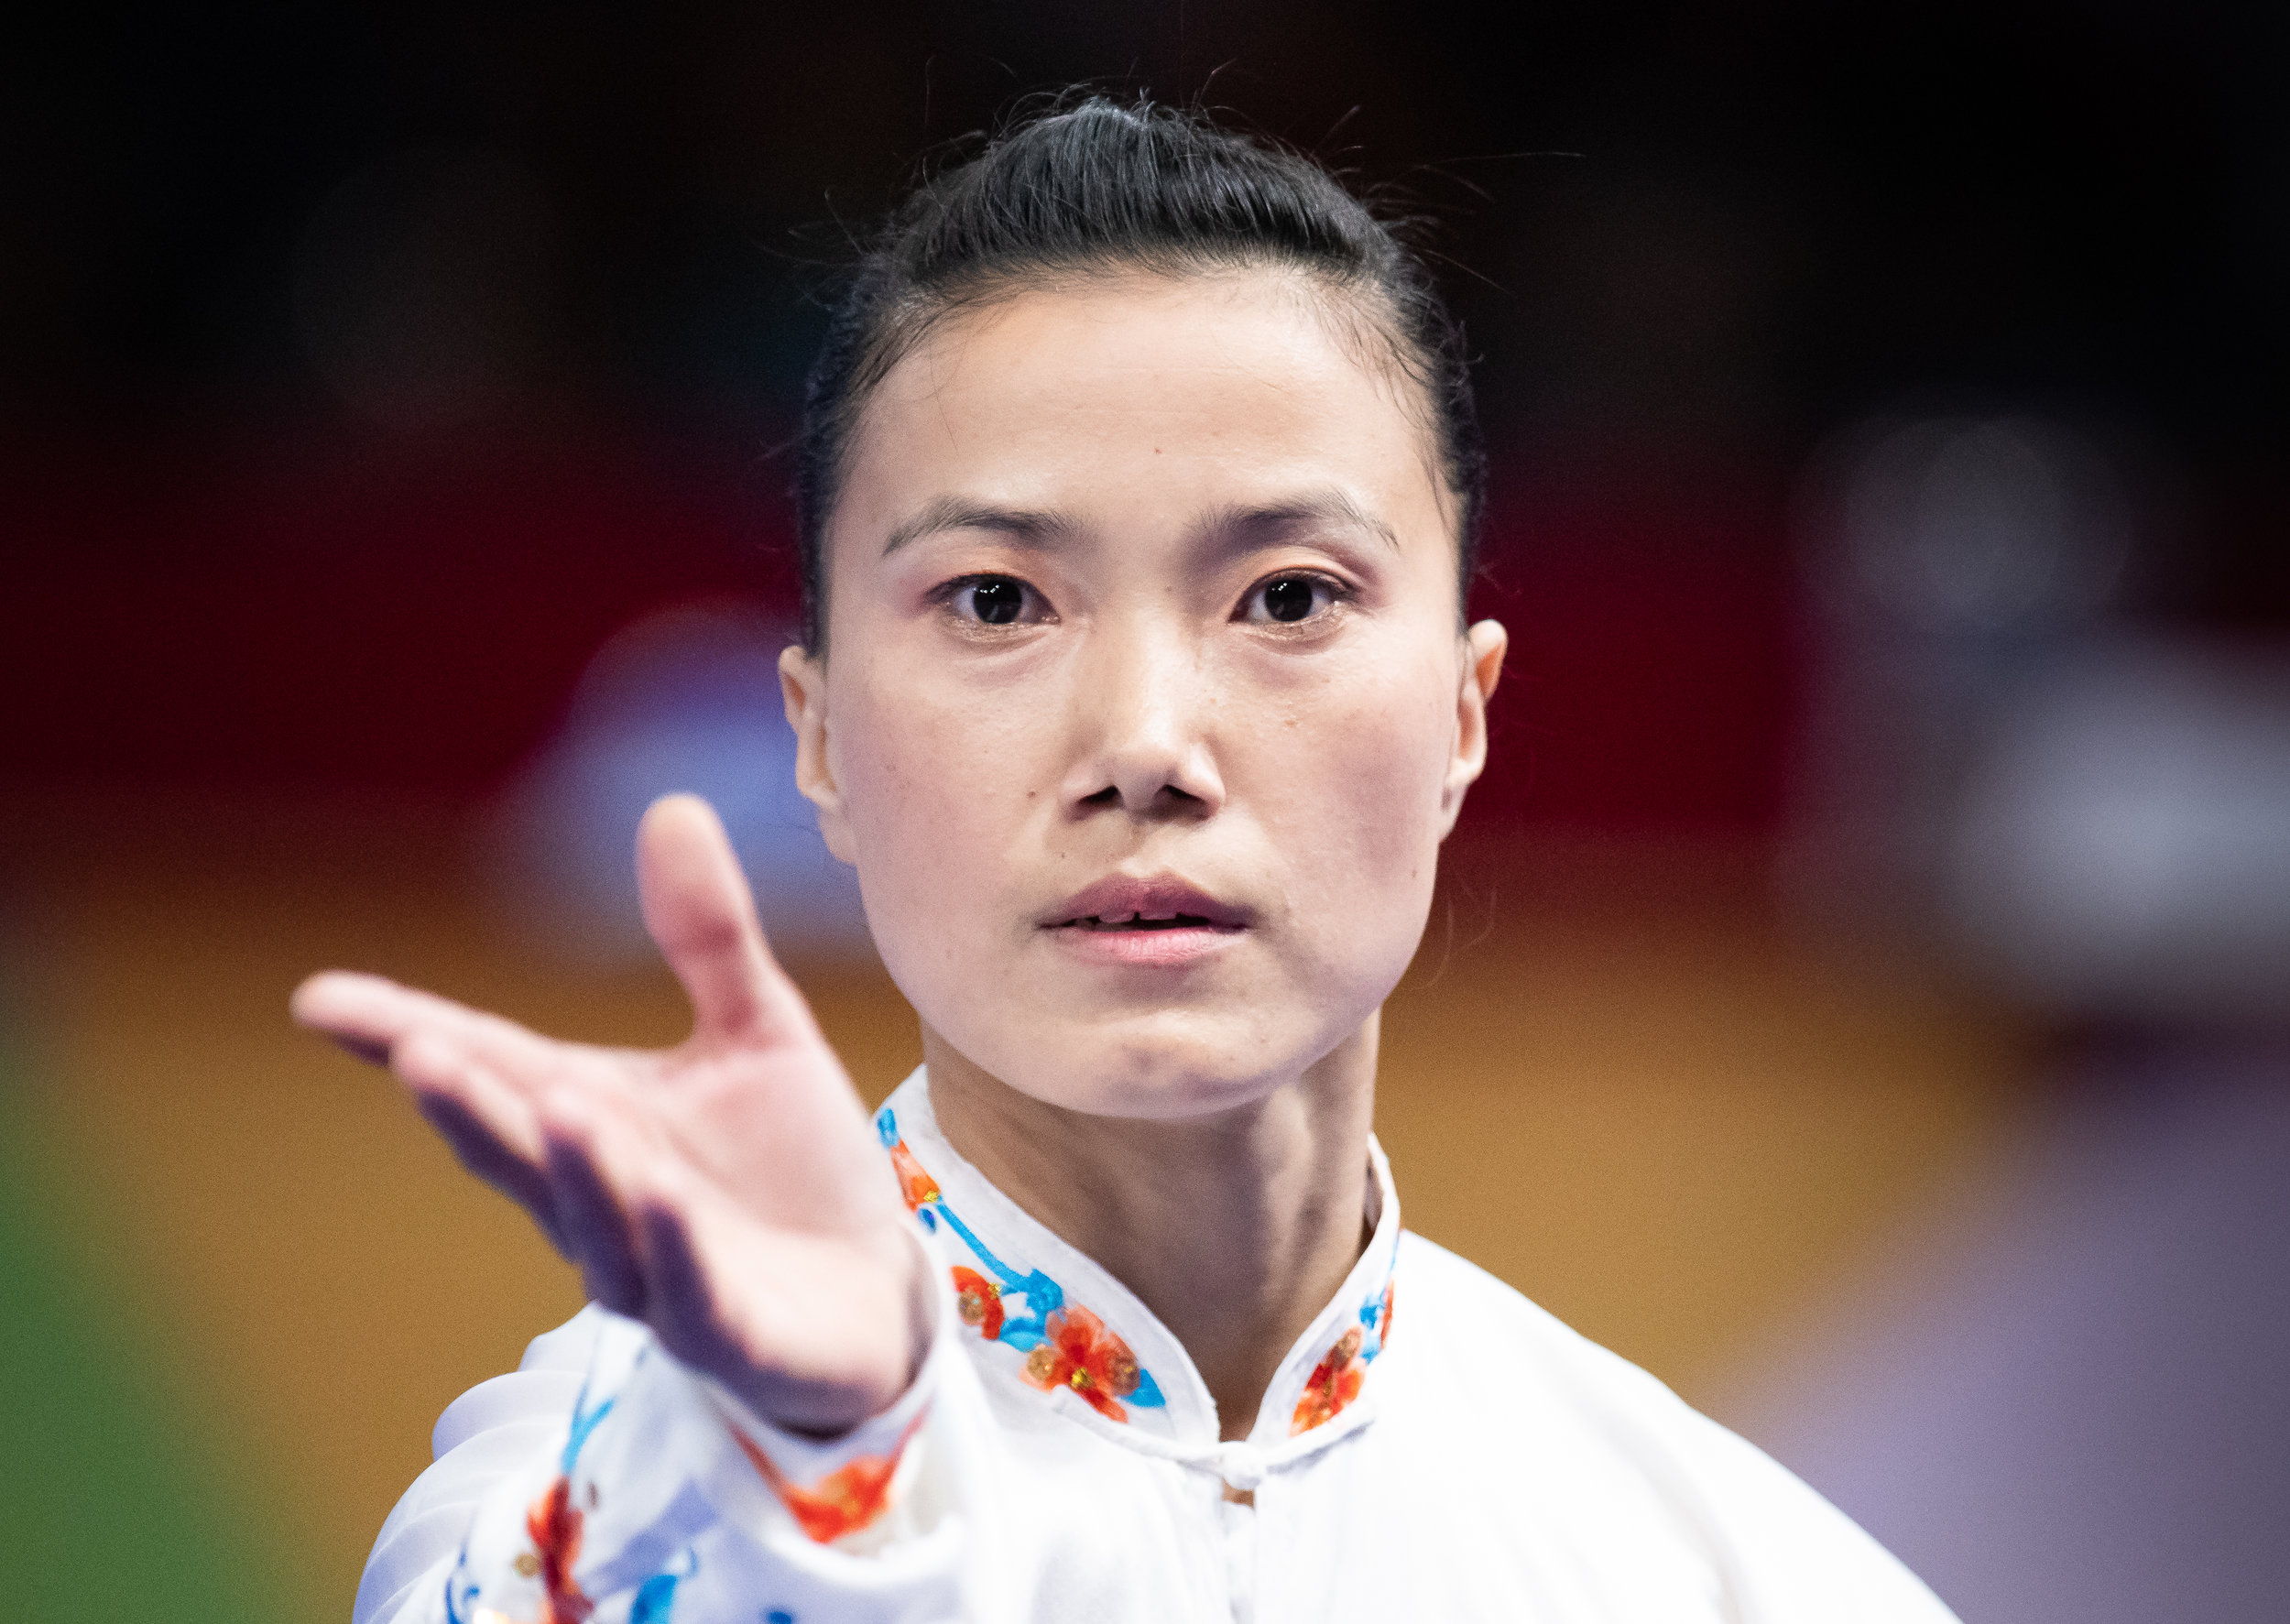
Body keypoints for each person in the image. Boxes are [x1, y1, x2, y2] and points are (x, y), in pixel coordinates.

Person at [296, 97, 1958, 1624]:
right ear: (816, 737)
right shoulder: (593, 1509)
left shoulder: (1740, 1579)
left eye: (1289, 597)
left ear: (1464, 714)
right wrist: (810, 1466)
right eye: (1000, 602)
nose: (1148, 743)